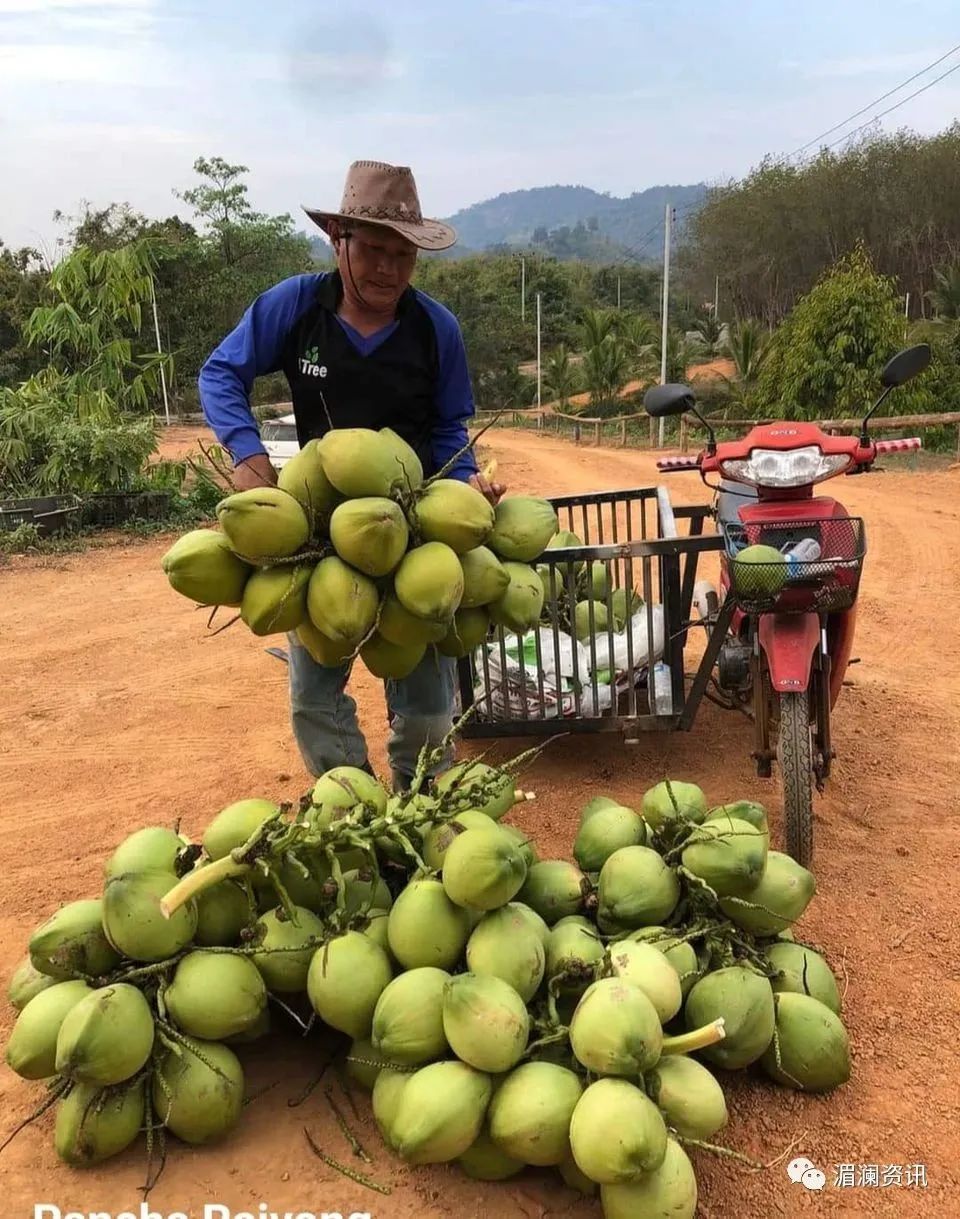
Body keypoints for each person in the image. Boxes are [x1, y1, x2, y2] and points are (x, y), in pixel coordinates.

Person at [198, 159, 506, 793]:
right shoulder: (295, 307)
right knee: (314, 697)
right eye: (372, 250)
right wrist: (246, 455)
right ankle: (356, 804)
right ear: (338, 240)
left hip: (412, 527)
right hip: (316, 528)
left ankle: (416, 804)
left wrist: (466, 481)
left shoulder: (434, 329)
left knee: (427, 706)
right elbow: (220, 373)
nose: (388, 269)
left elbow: (451, 426)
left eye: (403, 255)